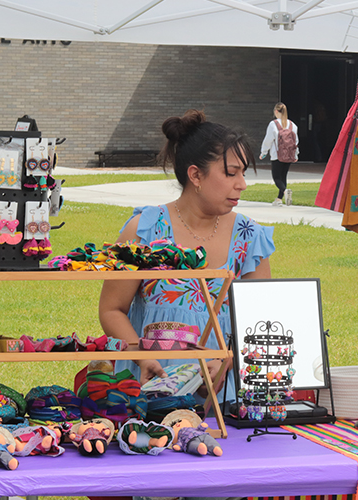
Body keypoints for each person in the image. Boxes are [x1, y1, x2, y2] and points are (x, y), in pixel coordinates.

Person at [99, 109, 274, 405]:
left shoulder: (249, 237)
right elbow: (112, 309)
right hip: (149, 388)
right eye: (231, 173)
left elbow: (260, 323)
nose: (242, 184)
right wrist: (140, 356)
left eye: (244, 173)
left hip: (225, 396)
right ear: (195, 174)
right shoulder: (145, 230)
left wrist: (226, 362)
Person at [259, 102, 299, 206]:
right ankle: (279, 199)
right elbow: (296, 142)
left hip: (277, 155)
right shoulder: (293, 125)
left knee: (276, 177)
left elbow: (268, 140)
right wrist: (296, 155)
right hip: (289, 155)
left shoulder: (273, 124)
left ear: (276, 111)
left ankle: (285, 191)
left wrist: (263, 153)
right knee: (283, 176)